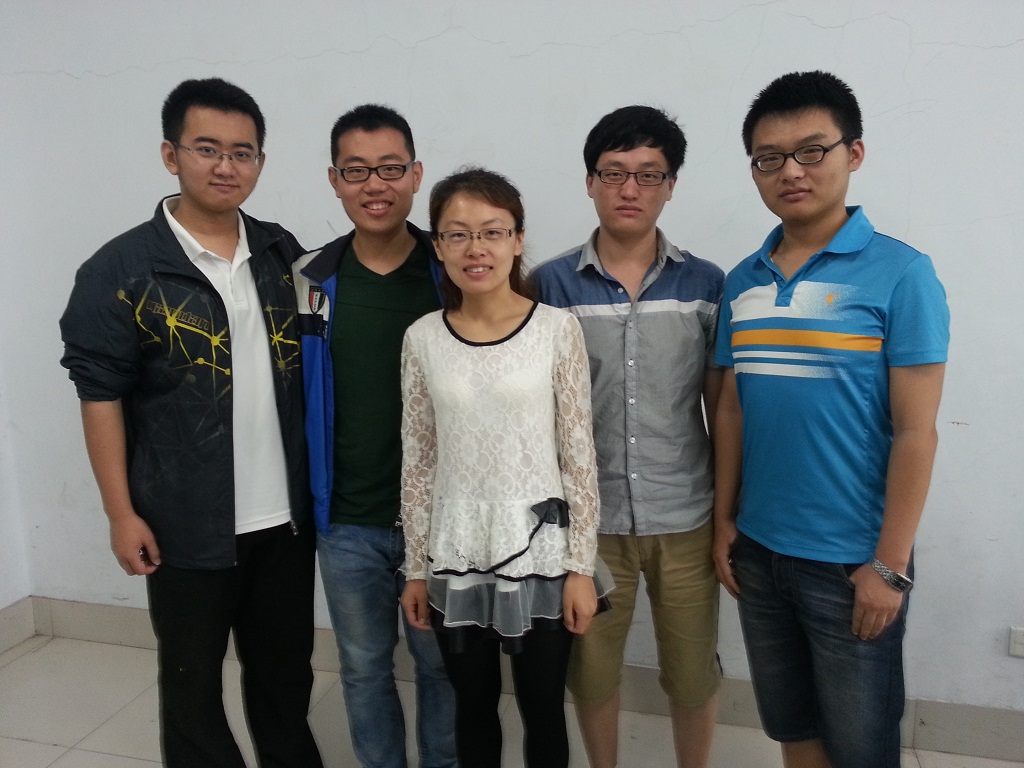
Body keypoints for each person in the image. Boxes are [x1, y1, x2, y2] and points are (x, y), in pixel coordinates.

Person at [59, 77, 323, 768]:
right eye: (207, 149)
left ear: (260, 161)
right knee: (192, 688)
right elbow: (99, 395)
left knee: (285, 679)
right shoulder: (121, 270)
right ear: (170, 155)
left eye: (243, 152)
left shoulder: (280, 254)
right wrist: (121, 514)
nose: (225, 166)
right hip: (183, 526)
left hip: (284, 523)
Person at [712, 71, 949, 768]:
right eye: (769, 157)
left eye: (812, 151)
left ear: (855, 153)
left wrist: (890, 567)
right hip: (759, 551)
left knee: (861, 748)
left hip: (851, 562)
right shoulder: (743, 281)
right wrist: (724, 520)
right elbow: (731, 406)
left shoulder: (901, 273)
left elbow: (917, 431)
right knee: (795, 731)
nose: (791, 171)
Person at [532, 106, 724, 768]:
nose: (630, 189)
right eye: (614, 173)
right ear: (590, 182)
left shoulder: (706, 284)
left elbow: (721, 406)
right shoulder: (550, 285)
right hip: (592, 523)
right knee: (591, 672)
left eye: (648, 174)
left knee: (693, 675)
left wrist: (728, 515)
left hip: (686, 516)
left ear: (671, 184)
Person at [400, 167, 607, 768]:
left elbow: (579, 455)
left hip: (542, 551)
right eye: (458, 234)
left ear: (517, 240)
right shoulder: (422, 339)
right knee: (472, 704)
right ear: (438, 246)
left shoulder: (556, 330)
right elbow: (419, 460)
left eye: (492, 232)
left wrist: (580, 568)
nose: (476, 248)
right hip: (456, 549)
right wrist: (417, 569)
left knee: (542, 706)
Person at [292, 104, 457, 768]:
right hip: (348, 521)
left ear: (416, 174)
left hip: (442, 520)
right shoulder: (309, 281)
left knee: (442, 667)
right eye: (356, 170)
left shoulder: (454, 271)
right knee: (362, 667)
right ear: (334, 180)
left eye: (390, 168)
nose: (374, 185)